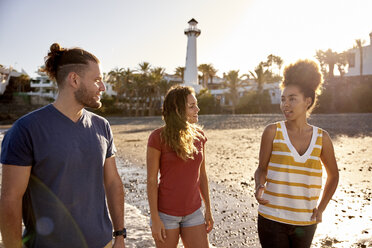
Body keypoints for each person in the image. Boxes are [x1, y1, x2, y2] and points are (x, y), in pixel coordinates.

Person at [0, 43, 126, 248]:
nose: (102, 87)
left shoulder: (102, 126)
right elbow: (10, 199)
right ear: (74, 80)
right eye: (97, 80)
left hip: (103, 243)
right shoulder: (25, 130)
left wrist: (120, 235)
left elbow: (112, 183)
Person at [254, 59, 339, 248]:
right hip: (271, 218)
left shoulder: (322, 138)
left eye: (292, 98)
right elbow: (261, 168)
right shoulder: (271, 132)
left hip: (306, 221)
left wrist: (322, 208)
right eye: (283, 99)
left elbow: (334, 175)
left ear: (307, 101)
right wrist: (259, 184)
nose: (285, 104)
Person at [146, 85, 214, 248]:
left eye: (196, 104)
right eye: (191, 106)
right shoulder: (157, 138)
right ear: (177, 109)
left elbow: (202, 175)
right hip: (166, 214)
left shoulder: (200, 136)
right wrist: (155, 218)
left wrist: (208, 210)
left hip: (193, 211)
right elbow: (151, 180)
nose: (197, 109)